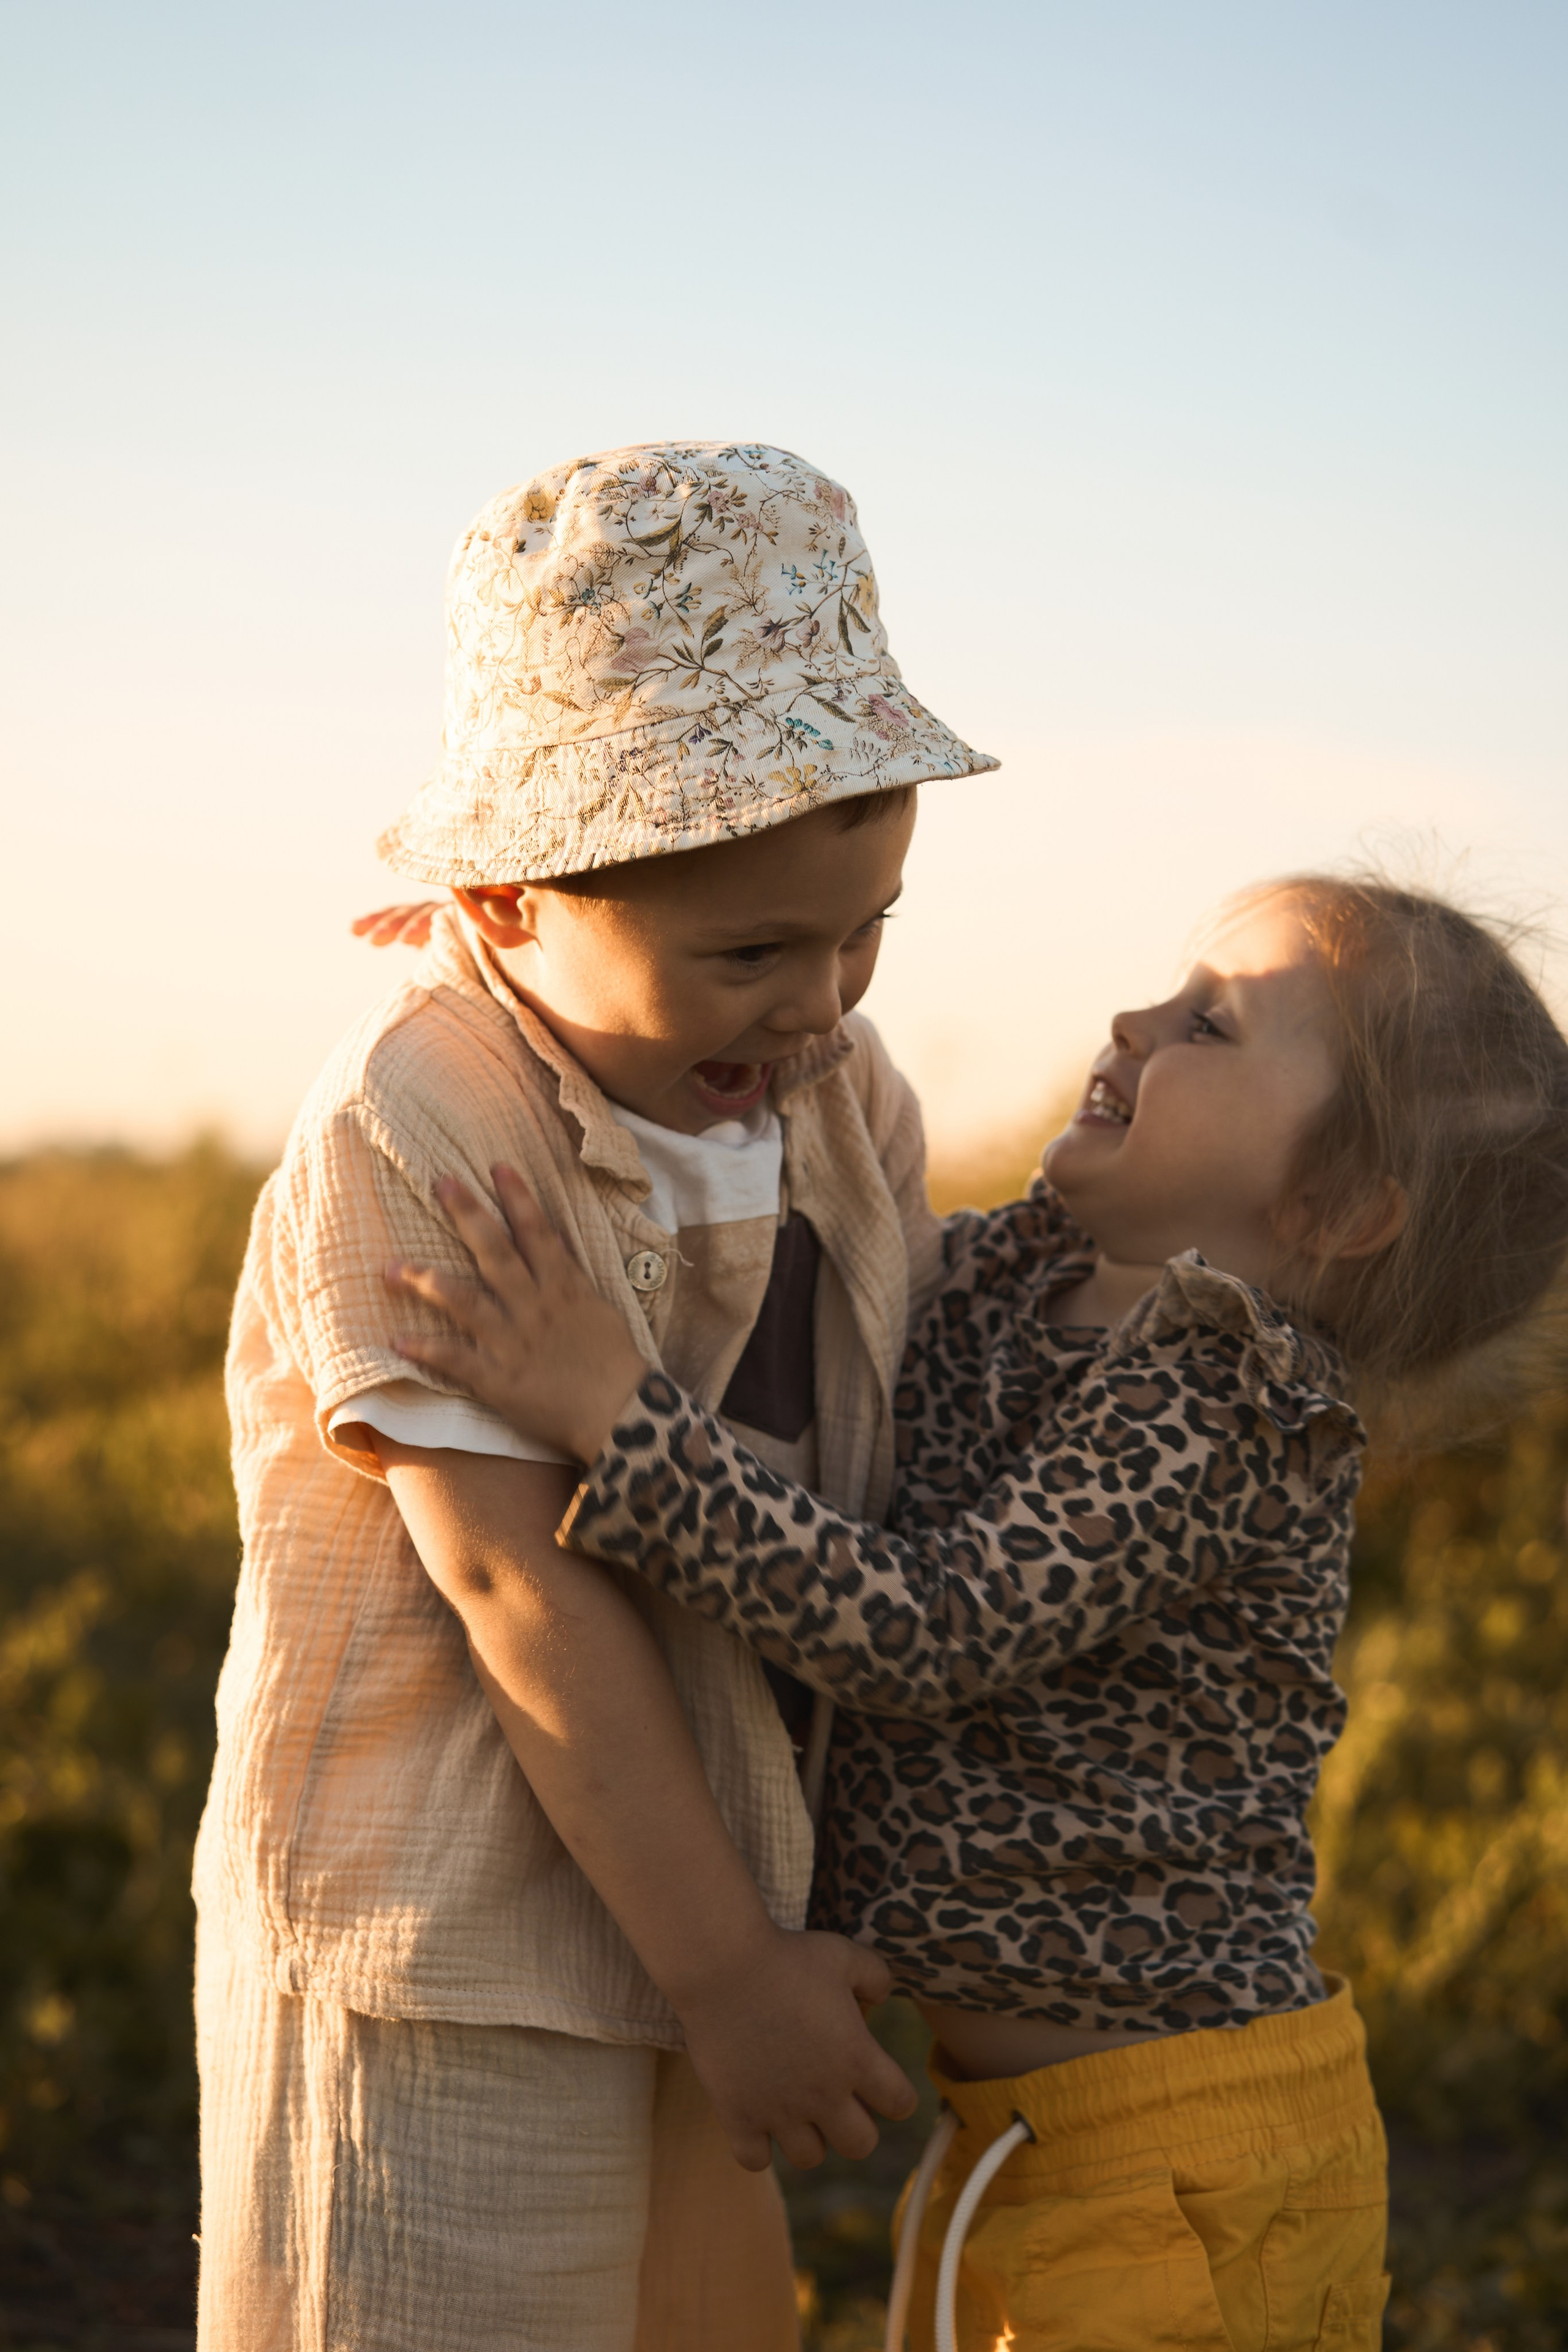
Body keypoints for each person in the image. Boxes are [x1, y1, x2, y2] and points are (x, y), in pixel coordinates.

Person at [385, 874, 1568, 2352]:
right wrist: (527, 931)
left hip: (1179, 2154)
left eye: (1209, 1023)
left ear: (1334, 1205)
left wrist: (614, 1415)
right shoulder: (1025, 1275)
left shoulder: (1226, 1395)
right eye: (1168, 987)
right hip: (1036, 2132)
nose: (1131, 1022)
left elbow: (930, 1629)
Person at [194, 439, 1001, 2352]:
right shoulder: (432, 1113)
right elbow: (505, 1585)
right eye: (746, 952)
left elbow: (878, 1401)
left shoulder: (835, 1089)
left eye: (865, 927)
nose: (818, 1001)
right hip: (454, 1932)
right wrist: (727, 1972)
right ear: (510, 893)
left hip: (714, 1852)